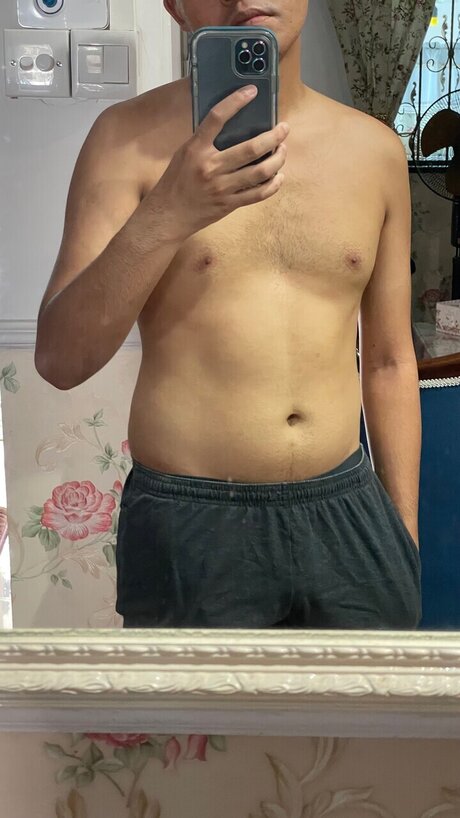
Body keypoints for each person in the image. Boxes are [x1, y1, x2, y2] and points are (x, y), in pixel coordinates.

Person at [35, 0, 422, 630]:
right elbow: (60, 360)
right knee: (201, 702)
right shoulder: (123, 141)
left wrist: (401, 533)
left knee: (358, 700)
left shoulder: (376, 150)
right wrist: (168, 211)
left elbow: (388, 360)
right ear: (174, 5)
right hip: (194, 521)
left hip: (349, 510)